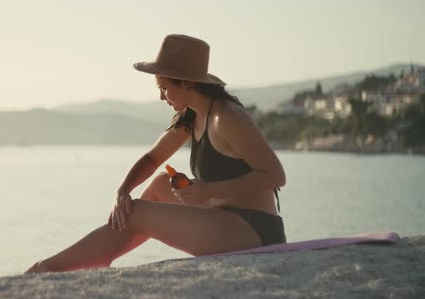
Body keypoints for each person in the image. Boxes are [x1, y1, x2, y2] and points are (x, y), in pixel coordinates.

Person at [25, 34, 286, 273]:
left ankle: (54, 267)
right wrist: (122, 190)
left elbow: (275, 175)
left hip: (254, 230)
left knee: (137, 211)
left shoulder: (227, 118)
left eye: (164, 87)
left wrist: (207, 191)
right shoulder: (192, 117)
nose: (162, 96)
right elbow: (152, 158)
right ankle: (102, 255)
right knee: (162, 183)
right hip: (224, 218)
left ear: (185, 82)